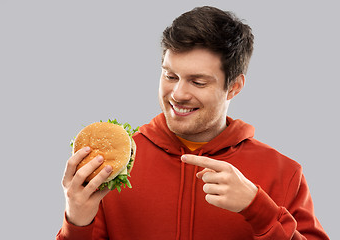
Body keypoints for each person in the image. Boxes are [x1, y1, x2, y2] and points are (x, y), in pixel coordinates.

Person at [56, 6, 329, 240]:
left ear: (234, 87)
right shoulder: (112, 168)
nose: (178, 94)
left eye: (198, 82)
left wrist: (258, 209)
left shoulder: (283, 172)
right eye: (170, 76)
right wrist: (76, 222)